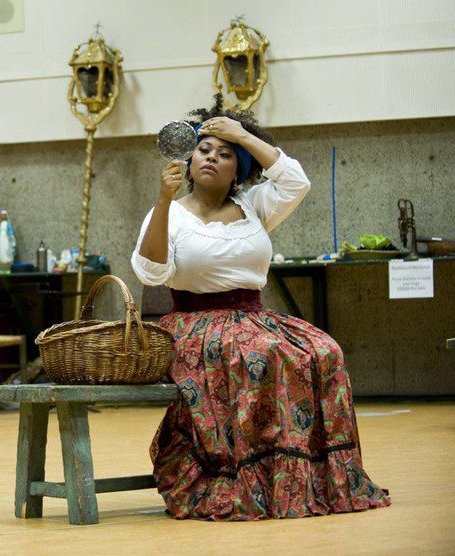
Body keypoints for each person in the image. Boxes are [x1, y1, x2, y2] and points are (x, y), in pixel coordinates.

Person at [131, 94, 389, 521]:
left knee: (324, 350)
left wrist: (242, 134)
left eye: (226, 154)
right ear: (189, 162)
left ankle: (307, 478)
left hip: (255, 317)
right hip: (193, 324)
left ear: (239, 170)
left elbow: (296, 182)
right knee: (260, 353)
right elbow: (151, 272)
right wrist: (162, 198)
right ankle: (245, 474)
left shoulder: (254, 206)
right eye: (204, 149)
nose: (212, 157)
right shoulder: (170, 213)